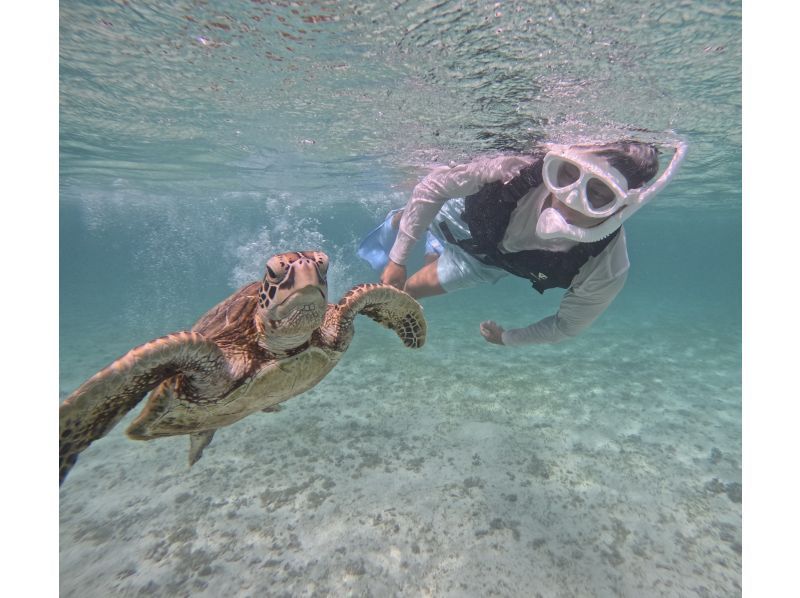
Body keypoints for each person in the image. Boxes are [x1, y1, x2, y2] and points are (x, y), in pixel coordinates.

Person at [357, 139, 687, 346]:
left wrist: (508, 339)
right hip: (460, 214)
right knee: (419, 215)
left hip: (482, 264)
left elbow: (566, 327)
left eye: (598, 194)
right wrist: (398, 258)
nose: (568, 200)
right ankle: (403, 221)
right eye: (566, 174)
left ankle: (434, 246)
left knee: (403, 296)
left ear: (624, 207)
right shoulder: (514, 170)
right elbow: (431, 188)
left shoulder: (607, 266)